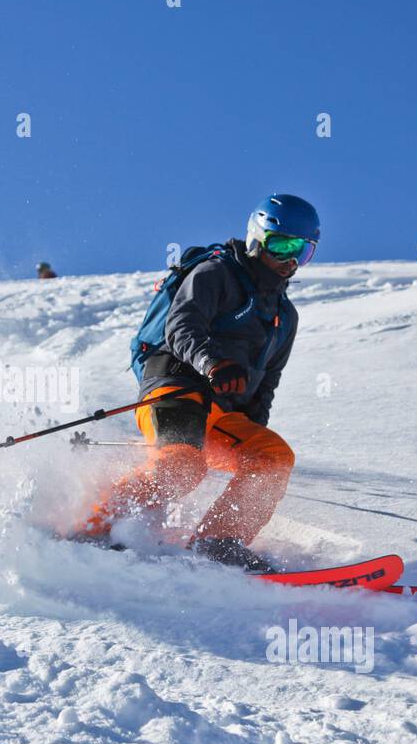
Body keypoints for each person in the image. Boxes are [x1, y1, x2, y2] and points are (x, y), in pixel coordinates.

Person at [78, 194, 320, 570]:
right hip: (174, 386)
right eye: (283, 245)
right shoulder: (215, 273)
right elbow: (182, 326)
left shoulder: (284, 317)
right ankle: (95, 531)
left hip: (220, 408)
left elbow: (267, 384)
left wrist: (249, 436)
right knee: (182, 466)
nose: (290, 260)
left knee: (272, 458)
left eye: (303, 252)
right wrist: (213, 364)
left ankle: (218, 543)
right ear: (258, 238)